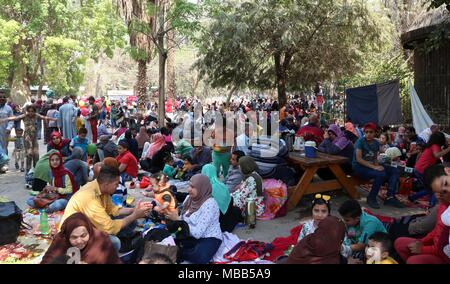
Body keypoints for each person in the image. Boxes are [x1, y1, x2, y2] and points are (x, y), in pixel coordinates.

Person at [60, 165, 152, 252]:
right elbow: (109, 227)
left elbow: (113, 209)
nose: (117, 187)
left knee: (131, 222)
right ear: (106, 184)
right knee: (115, 242)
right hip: (76, 234)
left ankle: (121, 239)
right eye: (116, 184)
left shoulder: (102, 189)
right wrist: (135, 215)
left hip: (91, 224)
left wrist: (134, 210)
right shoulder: (89, 197)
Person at [164, 174, 223, 264]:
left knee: (200, 257)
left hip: (208, 237)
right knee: (167, 237)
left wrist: (178, 220)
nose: (189, 189)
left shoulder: (210, 204)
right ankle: (178, 250)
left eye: (193, 187)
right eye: (189, 185)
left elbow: (197, 233)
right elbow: (182, 217)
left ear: (201, 188)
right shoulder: (190, 198)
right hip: (189, 233)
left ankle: (178, 252)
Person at [394, 169, 450, 264]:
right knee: (400, 242)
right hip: (436, 246)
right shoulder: (442, 206)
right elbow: (436, 231)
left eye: (443, 191)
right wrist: (421, 241)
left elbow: (444, 249)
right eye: (436, 192)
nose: (438, 196)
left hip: (444, 255)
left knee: (413, 261)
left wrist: (423, 249)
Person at [352, 122, 402, 209]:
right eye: (366, 132)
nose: (368, 134)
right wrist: (375, 168)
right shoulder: (360, 141)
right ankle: (371, 198)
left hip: (370, 165)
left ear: (375, 133)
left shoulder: (375, 143)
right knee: (380, 174)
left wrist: (377, 165)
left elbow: (374, 158)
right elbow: (359, 159)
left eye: (371, 132)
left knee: (394, 170)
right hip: (359, 167)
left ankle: (390, 197)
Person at [41, 213, 121, 264]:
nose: (79, 241)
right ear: (67, 235)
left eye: (83, 235)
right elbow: (47, 260)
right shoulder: (62, 239)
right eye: (74, 237)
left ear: (89, 231)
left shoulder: (101, 239)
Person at [11, 105, 58, 172]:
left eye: (32, 111)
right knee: (29, 154)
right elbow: (15, 118)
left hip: (34, 136)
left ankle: (36, 170)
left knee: (36, 154)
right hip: (27, 136)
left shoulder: (36, 115)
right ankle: (28, 170)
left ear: (34, 111)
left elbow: (44, 117)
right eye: (29, 111)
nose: (30, 113)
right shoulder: (24, 116)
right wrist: (5, 119)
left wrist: (54, 119)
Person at [409, 132, 450, 207]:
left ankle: (412, 198)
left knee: (430, 189)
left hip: (420, 169)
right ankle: (431, 204)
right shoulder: (435, 146)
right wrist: (448, 149)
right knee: (433, 189)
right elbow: (437, 155)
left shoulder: (431, 145)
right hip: (422, 170)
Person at [202, 164, 241, 232]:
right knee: (236, 210)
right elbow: (229, 201)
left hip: (217, 224)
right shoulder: (222, 185)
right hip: (227, 221)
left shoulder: (204, 188)